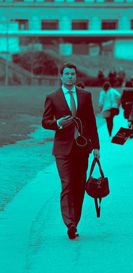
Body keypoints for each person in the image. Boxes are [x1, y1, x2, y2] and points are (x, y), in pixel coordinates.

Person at [42, 63, 100, 240]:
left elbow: (91, 122)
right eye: (66, 74)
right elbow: (45, 122)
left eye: (72, 74)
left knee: (79, 185)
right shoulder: (52, 97)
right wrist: (58, 123)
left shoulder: (85, 96)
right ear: (61, 76)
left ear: (76, 76)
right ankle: (70, 223)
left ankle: (75, 221)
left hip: (82, 148)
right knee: (67, 183)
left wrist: (96, 146)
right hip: (62, 149)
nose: (70, 77)